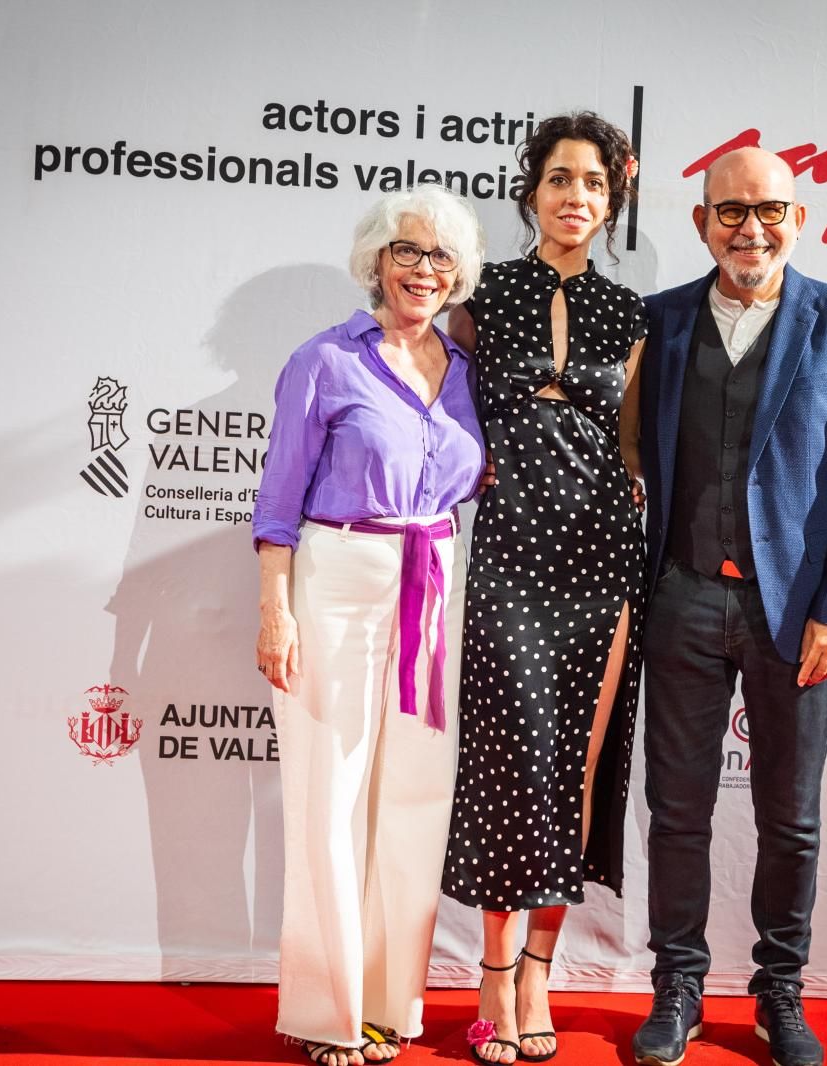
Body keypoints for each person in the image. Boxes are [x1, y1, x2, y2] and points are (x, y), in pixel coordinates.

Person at [631, 147, 827, 1066]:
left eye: (770, 209)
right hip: (683, 601)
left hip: (798, 620)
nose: (753, 227)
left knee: (792, 817)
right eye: (732, 210)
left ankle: (780, 993)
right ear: (701, 222)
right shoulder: (659, 324)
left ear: (800, 216)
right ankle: (678, 987)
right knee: (678, 812)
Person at [253, 184, 486, 1066]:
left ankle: (390, 1001)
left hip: (433, 579)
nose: (423, 270)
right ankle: (326, 1012)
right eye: (407, 252)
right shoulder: (323, 360)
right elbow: (276, 507)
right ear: (377, 262)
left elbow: (470, 476)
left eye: (440, 257)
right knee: (331, 796)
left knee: (416, 799)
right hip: (339, 579)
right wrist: (276, 610)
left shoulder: (462, 373)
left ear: (457, 272)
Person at [441, 112, 647, 1066]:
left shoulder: (632, 314)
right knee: (508, 755)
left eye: (595, 184)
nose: (577, 197)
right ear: (531, 192)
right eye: (561, 179)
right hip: (513, 550)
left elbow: (634, 448)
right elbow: (441, 421)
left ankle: (539, 969)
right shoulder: (479, 297)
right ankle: (489, 972)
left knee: (576, 767)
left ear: (613, 201)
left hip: (603, 554)